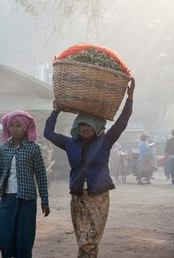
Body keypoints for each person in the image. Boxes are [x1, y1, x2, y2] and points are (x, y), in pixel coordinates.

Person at [44, 78, 135, 257]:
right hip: (77, 197)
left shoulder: (105, 141)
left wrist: (129, 99)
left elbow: (122, 123)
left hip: (98, 197)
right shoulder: (69, 143)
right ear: (77, 127)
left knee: (90, 240)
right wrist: (55, 112)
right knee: (82, 240)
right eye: (81, 124)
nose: (84, 128)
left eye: (88, 124)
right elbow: (48, 133)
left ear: (96, 126)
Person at [0, 110, 50, 258]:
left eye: (18, 126)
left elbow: (41, 175)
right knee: (3, 232)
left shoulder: (33, 148)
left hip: (26, 200)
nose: (15, 129)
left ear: (26, 128)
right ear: (7, 128)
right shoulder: (3, 147)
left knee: (25, 237)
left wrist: (44, 200)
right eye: (12, 126)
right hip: (7, 198)